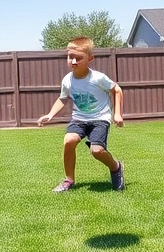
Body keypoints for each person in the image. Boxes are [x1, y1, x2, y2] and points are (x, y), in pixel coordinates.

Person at [37, 36, 125, 192]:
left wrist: (117, 114)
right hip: (79, 119)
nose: (73, 61)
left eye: (78, 58)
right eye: (70, 57)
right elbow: (63, 98)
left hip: (100, 119)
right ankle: (68, 180)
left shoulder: (98, 78)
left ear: (90, 59)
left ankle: (116, 167)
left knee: (97, 151)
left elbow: (116, 89)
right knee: (69, 141)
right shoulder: (67, 80)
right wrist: (50, 114)